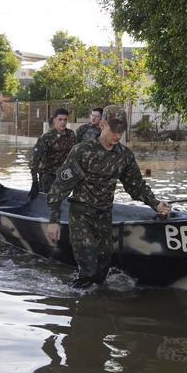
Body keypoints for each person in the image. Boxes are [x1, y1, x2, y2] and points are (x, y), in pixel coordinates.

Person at [46, 105, 171, 288]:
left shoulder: (124, 155)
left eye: (121, 131)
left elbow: (136, 187)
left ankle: (91, 304)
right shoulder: (82, 151)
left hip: (105, 216)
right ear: (103, 124)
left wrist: (157, 204)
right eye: (114, 130)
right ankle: (77, 307)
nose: (118, 136)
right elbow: (59, 188)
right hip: (81, 216)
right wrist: (54, 221)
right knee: (89, 269)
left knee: (102, 270)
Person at [29, 108, 78, 199]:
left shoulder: (71, 134)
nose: (63, 122)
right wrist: (34, 182)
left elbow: (74, 156)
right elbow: (33, 161)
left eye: (65, 119)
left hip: (65, 176)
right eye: (60, 119)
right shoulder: (46, 137)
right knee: (49, 203)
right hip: (49, 177)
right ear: (54, 120)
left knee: (63, 202)